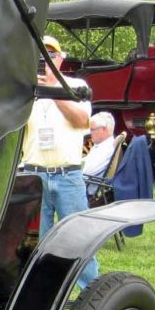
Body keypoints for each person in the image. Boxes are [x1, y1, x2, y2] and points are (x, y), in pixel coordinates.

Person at [22, 35, 95, 288]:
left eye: (51, 56)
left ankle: (89, 292)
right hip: (33, 175)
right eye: (40, 56)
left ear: (60, 58)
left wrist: (54, 90)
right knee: (33, 241)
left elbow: (81, 121)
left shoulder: (76, 85)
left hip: (68, 176)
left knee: (78, 238)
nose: (45, 61)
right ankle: (37, 291)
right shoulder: (25, 89)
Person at [83, 112, 118, 188]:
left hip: (87, 191)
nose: (90, 133)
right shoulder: (101, 146)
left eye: (92, 129)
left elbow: (85, 173)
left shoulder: (106, 149)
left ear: (104, 129)